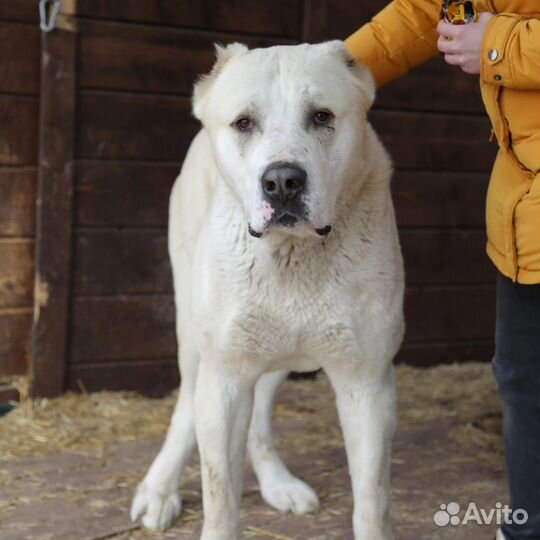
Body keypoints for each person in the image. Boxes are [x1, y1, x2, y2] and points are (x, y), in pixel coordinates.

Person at [345, 2, 540, 540]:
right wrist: (325, 69)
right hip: (525, 208)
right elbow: (418, 14)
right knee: (524, 380)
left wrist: (500, 44)